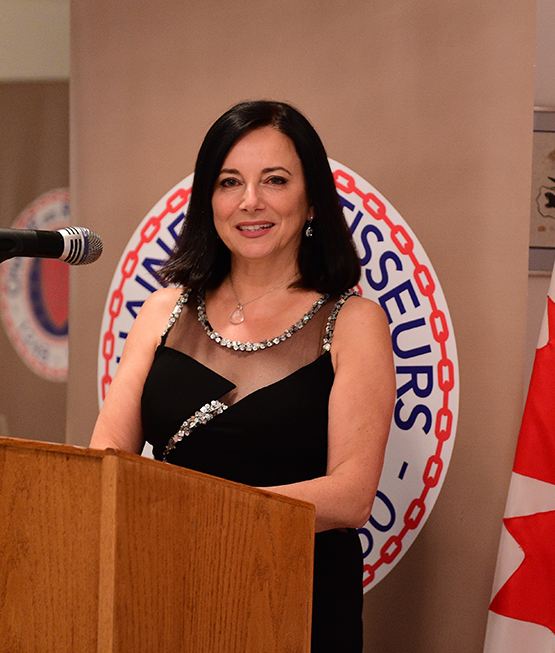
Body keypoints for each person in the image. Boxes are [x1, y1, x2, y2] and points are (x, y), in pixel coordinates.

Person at [90, 100, 395, 651]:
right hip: (161, 588)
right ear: (208, 200)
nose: (250, 201)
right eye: (229, 182)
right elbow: (106, 458)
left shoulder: (355, 322)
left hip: (292, 597)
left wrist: (204, 516)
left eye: (274, 180)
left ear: (311, 200)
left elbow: (351, 495)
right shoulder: (162, 310)